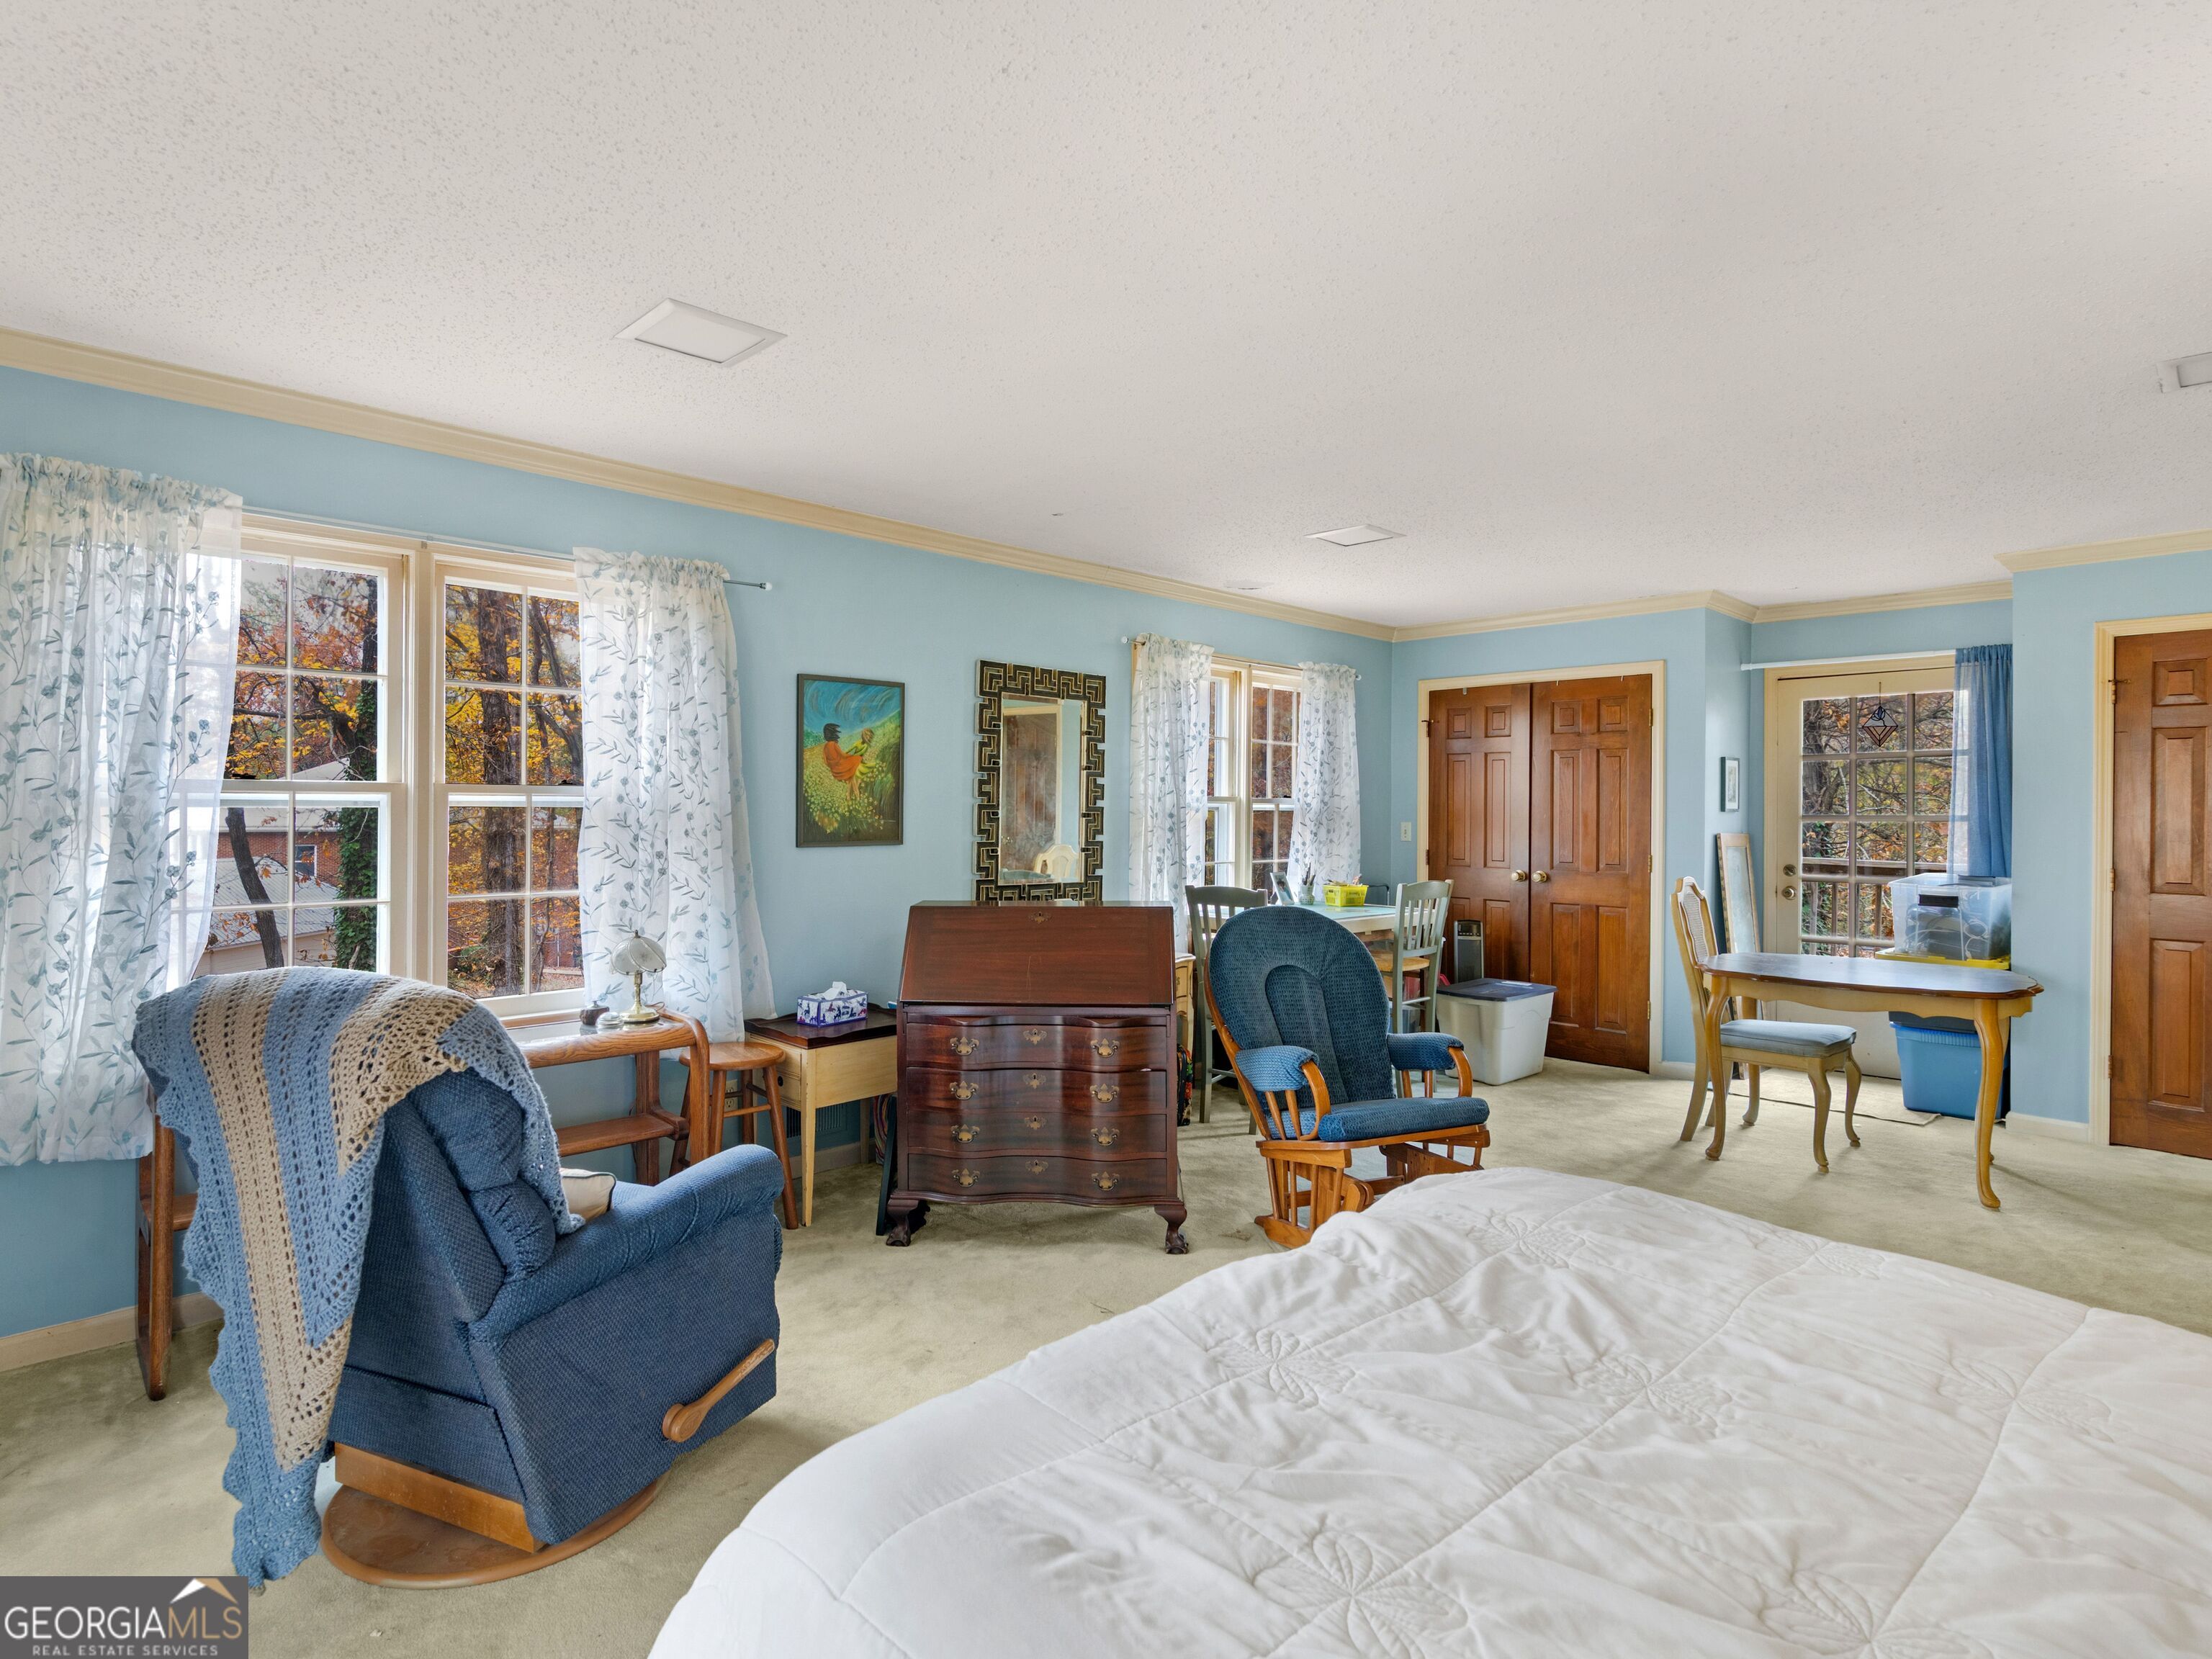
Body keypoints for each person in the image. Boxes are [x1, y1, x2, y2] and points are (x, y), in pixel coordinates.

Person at [819, 722, 873, 797]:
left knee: (852, 780)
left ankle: (849, 797)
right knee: (856, 767)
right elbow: (843, 755)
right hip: (843, 766)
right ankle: (857, 797)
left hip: (835, 770)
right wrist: (852, 756)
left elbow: (825, 761)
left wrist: (832, 766)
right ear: (833, 734)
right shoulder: (834, 744)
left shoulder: (825, 747)